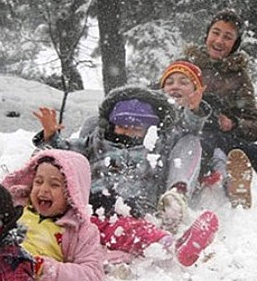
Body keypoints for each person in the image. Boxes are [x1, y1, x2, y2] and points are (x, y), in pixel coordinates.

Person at [21, 86, 219, 267]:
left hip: (135, 208)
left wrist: (194, 112)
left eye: (136, 128)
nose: (127, 131)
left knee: (135, 232)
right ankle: (107, 258)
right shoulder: (96, 141)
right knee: (89, 233)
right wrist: (50, 136)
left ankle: (174, 246)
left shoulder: (154, 146)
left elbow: (186, 132)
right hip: (93, 206)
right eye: (122, 125)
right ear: (111, 123)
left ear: (149, 129)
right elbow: (66, 153)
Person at [183, 9, 257, 208]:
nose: (219, 41)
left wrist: (232, 124)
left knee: (224, 144)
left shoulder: (238, 77)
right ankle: (218, 181)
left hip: (222, 138)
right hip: (186, 133)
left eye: (227, 37)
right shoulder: (185, 67)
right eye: (216, 33)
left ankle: (235, 181)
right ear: (207, 34)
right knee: (203, 143)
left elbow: (254, 127)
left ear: (234, 44)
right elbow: (163, 97)